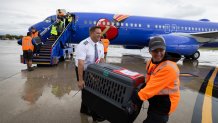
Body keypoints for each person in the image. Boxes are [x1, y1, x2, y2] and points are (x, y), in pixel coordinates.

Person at [131, 37, 180, 123]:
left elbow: (151, 89)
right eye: (155, 51)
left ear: (165, 49)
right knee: (151, 114)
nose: (159, 53)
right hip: (155, 99)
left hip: (165, 104)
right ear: (150, 51)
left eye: (161, 50)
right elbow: (149, 80)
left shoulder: (169, 68)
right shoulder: (150, 62)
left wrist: (136, 97)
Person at [75, 26, 105, 122]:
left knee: (90, 90)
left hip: (94, 70)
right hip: (83, 70)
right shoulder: (83, 45)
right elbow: (80, 63)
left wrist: (103, 71)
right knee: (89, 91)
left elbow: (101, 59)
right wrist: (80, 80)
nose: (100, 35)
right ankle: (95, 116)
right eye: (97, 33)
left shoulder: (100, 45)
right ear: (91, 33)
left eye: (100, 33)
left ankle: (84, 109)